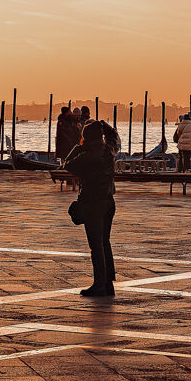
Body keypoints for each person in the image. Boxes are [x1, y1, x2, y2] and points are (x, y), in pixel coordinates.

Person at [65, 118, 118, 297]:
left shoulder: (86, 156)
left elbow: (67, 163)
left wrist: (80, 146)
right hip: (108, 201)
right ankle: (108, 283)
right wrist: (104, 126)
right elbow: (114, 137)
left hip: (93, 203)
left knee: (96, 245)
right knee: (105, 242)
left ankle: (99, 284)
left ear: (86, 138)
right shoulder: (108, 151)